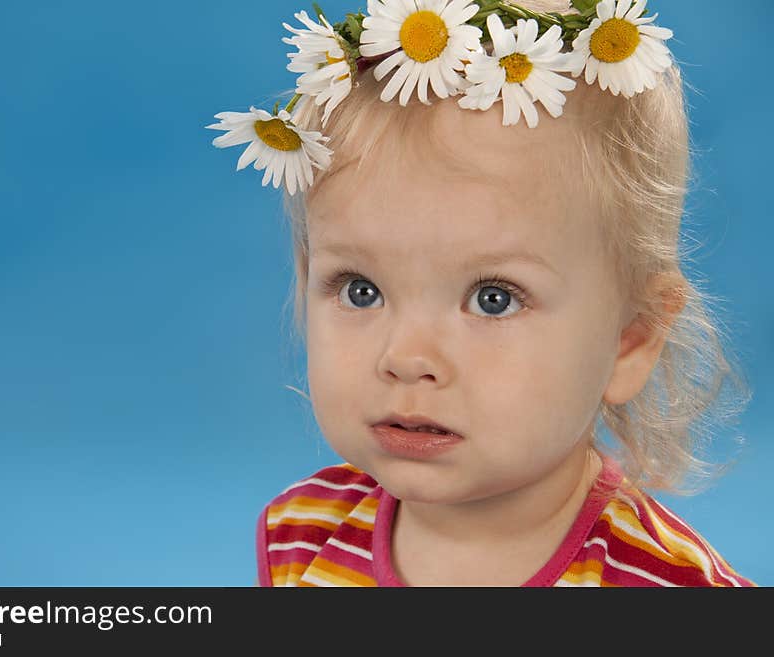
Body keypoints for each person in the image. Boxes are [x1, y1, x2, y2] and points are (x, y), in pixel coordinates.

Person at [208, 0, 755, 586]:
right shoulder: (303, 532)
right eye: (361, 290)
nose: (407, 359)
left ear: (630, 340)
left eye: (494, 298)